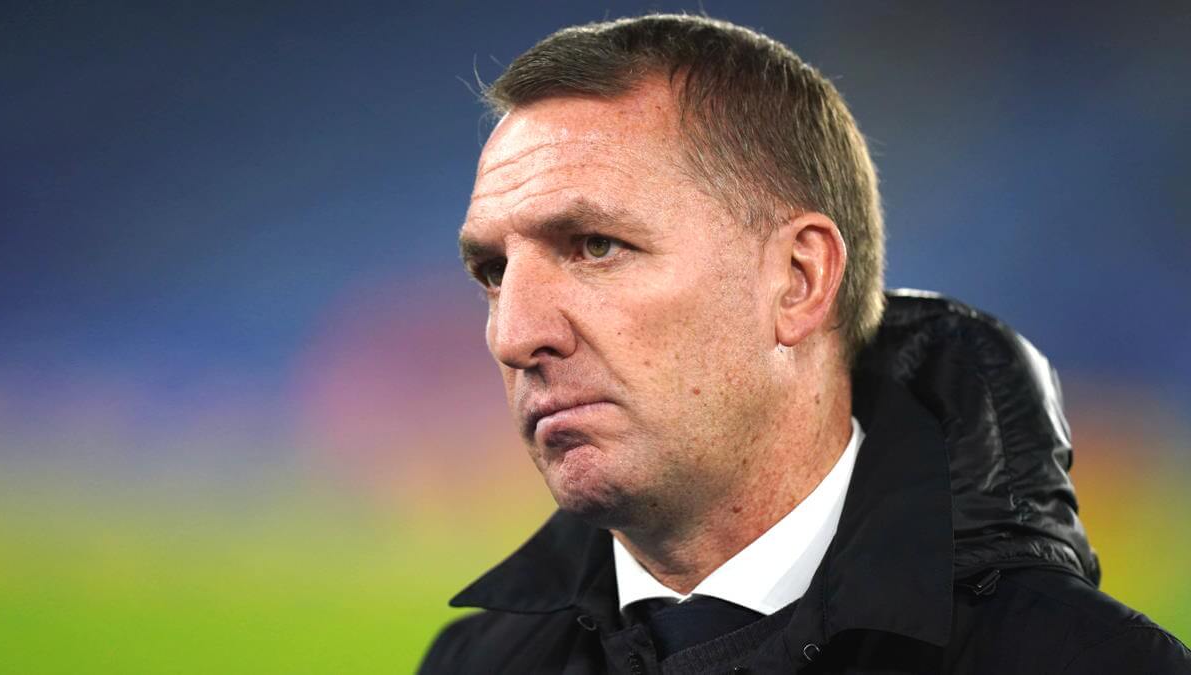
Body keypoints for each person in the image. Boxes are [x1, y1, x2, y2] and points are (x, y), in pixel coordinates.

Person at [420, 14, 1190, 674]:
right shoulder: (473, 662)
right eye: (493, 271)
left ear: (797, 280)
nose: (514, 335)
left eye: (596, 245)